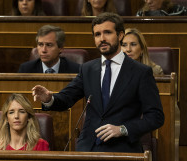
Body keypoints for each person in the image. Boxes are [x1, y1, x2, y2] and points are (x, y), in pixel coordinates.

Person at [32, 12, 164, 153]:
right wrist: (49, 99)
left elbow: (155, 117)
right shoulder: (88, 69)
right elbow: (67, 98)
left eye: (107, 32)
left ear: (120, 35)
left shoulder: (140, 72)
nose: (102, 39)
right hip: (88, 148)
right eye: (97, 34)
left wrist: (123, 129)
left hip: (123, 148)